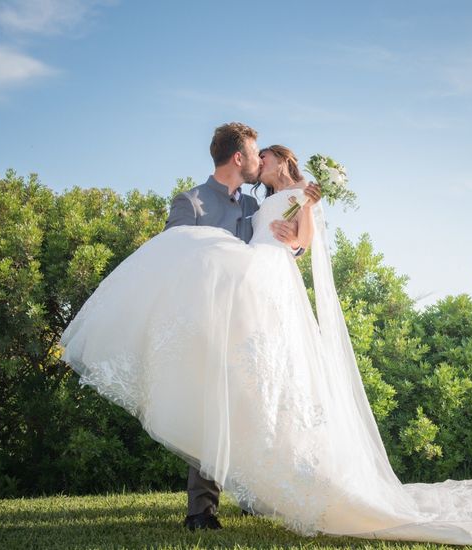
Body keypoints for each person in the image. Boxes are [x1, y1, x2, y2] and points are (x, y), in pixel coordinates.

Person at [59, 138, 472, 544]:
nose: (258, 163)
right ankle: (212, 503)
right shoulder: (232, 203)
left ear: (279, 162)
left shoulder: (291, 199)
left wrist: (306, 210)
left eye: (265, 157)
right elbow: (198, 246)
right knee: (238, 390)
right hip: (242, 297)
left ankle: (239, 496)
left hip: (266, 291)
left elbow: (301, 245)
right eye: (253, 156)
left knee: (263, 389)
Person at [155, 123, 319, 531]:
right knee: (211, 408)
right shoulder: (190, 202)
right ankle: (201, 510)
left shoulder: (252, 206)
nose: (260, 157)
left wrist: (292, 238)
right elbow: (175, 256)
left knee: (254, 405)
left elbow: (278, 251)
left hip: (251, 321)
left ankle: (254, 493)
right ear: (238, 157)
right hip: (208, 318)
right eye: (255, 151)